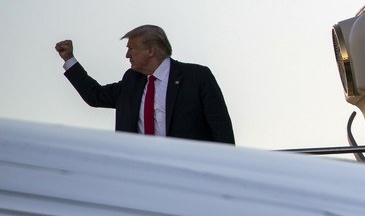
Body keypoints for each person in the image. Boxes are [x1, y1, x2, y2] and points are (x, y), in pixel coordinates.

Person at [55, 25, 235, 144]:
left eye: (131, 48)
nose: (127, 55)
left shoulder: (197, 77)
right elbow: (94, 96)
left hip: (190, 178)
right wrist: (69, 59)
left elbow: (222, 131)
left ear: (150, 51)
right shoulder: (131, 82)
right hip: (141, 178)